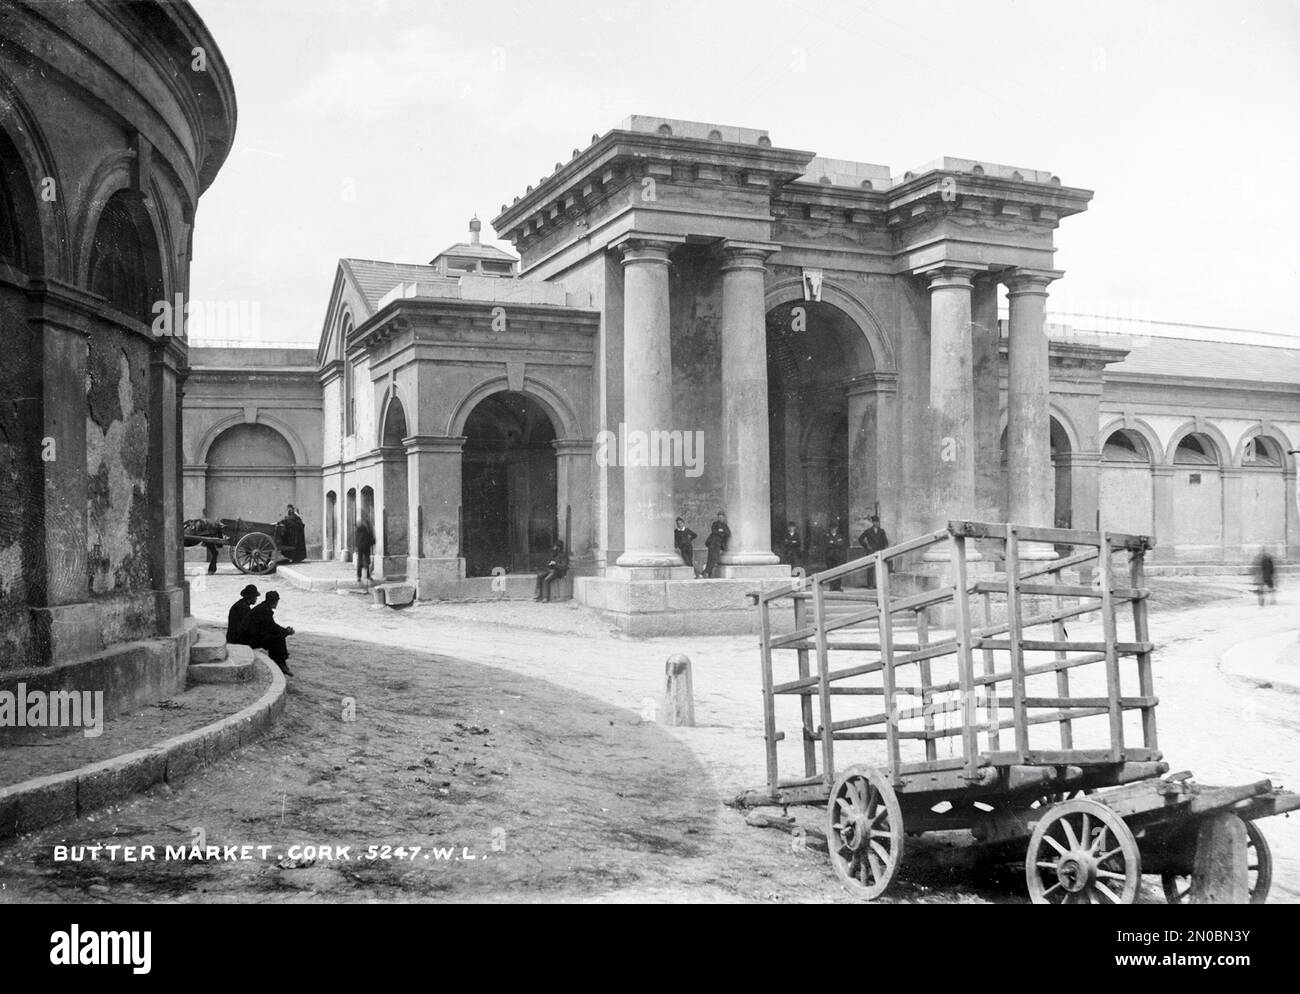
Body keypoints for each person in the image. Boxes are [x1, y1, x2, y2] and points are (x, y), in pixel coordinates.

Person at [246, 590, 295, 676]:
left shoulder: (263, 607)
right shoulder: (264, 610)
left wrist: (285, 631)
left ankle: (281, 658)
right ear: (274, 601)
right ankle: (281, 662)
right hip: (250, 639)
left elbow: (271, 625)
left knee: (277, 635)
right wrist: (286, 631)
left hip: (251, 635)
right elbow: (272, 626)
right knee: (278, 637)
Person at [858, 514, 890, 589]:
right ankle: (870, 584)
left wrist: (884, 548)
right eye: (875, 522)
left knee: (880, 569)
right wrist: (866, 546)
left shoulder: (882, 531)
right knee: (870, 569)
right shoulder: (868, 531)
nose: (877, 523)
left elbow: (885, 541)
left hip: (879, 551)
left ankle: (880, 584)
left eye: (878, 522)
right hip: (871, 552)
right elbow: (860, 539)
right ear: (873, 523)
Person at [703, 511, 730, 578]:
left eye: (721, 517)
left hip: (718, 544)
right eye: (719, 517)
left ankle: (706, 572)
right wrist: (722, 533)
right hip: (712, 543)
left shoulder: (725, 525)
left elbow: (728, 533)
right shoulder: (715, 523)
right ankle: (707, 573)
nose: (720, 518)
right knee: (710, 558)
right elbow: (714, 531)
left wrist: (721, 532)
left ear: (724, 517)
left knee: (714, 558)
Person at [825, 521, 848, 592]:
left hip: (838, 556)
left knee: (838, 571)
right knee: (831, 571)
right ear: (830, 528)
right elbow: (827, 545)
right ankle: (832, 586)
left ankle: (838, 586)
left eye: (834, 528)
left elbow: (842, 544)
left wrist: (833, 543)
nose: (833, 529)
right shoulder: (827, 536)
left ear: (836, 528)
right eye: (832, 528)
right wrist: (836, 543)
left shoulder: (840, 535)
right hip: (830, 556)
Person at [354, 514, 375, 584]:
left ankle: (367, 575)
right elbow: (358, 537)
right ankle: (359, 576)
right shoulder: (360, 526)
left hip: (366, 546)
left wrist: (371, 542)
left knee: (367, 561)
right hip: (362, 546)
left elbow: (370, 535)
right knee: (360, 561)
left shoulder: (367, 526)